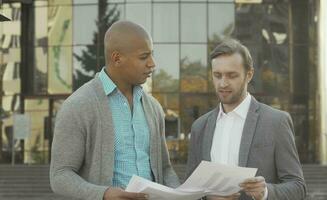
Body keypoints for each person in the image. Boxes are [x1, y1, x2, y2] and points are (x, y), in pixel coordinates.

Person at [50, 20, 180, 200]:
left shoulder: (154, 108)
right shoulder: (78, 106)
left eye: (152, 55)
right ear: (117, 58)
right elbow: (60, 175)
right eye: (144, 57)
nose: (152, 64)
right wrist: (104, 194)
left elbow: (165, 169)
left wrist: (180, 192)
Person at [186, 39, 306, 200]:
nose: (223, 83)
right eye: (217, 75)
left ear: (249, 75)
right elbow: (189, 189)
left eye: (232, 75)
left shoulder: (276, 122)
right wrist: (207, 197)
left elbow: (297, 187)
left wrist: (265, 192)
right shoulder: (199, 126)